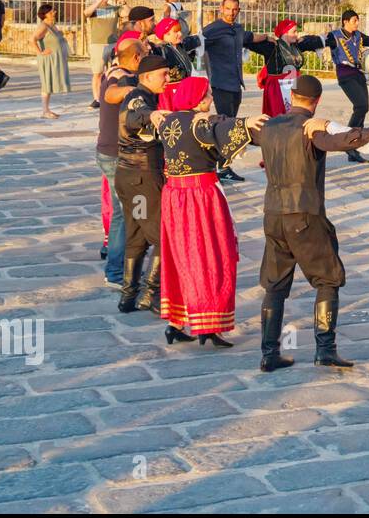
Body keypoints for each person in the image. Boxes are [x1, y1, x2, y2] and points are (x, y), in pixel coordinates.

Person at [252, 75, 369, 372]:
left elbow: (233, 130)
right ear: (316, 102)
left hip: (273, 214)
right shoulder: (310, 128)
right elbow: (338, 141)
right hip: (304, 214)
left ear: (292, 96)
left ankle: (269, 354)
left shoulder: (269, 127)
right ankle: (325, 349)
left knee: (275, 284)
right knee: (328, 279)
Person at [151, 77, 266, 348]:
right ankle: (208, 325)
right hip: (200, 197)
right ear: (198, 99)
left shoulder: (168, 120)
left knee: (180, 258)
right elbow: (215, 125)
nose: (210, 99)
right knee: (211, 257)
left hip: (174, 196)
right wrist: (246, 123)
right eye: (207, 95)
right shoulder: (197, 122)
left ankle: (176, 323)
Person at [114, 54, 172, 315]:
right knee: (163, 237)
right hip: (142, 178)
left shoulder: (147, 95)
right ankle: (150, 293)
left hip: (130, 177)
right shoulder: (140, 98)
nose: (167, 79)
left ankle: (128, 296)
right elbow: (134, 117)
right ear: (147, 77)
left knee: (137, 234)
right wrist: (153, 116)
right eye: (164, 74)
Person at [201, 0, 273, 181]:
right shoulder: (212, 30)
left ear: (239, 10)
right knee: (226, 126)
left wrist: (268, 38)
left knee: (230, 124)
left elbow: (250, 37)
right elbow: (195, 42)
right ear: (221, 8)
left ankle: (223, 166)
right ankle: (220, 168)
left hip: (235, 84)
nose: (231, 13)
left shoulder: (238, 29)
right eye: (228, 9)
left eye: (235, 9)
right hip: (220, 84)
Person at [322, 10, 369, 163]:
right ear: (345, 21)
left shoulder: (358, 36)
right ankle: (349, 143)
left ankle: (354, 144)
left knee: (364, 107)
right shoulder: (334, 36)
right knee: (360, 105)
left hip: (357, 73)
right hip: (345, 74)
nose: (357, 23)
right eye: (354, 21)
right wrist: (302, 42)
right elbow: (318, 42)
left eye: (358, 21)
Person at [97, 39, 143, 286]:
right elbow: (110, 94)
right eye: (143, 55)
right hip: (116, 155)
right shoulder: (121, 77)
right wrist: (130, 92)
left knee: (129, 213)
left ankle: (126, 267)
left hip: (113, 152)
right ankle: (115, 272)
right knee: (125, 215)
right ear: (136, 58)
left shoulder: (117, 71)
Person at [257, 19, 325, 117]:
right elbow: (249, 41)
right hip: (276, 88)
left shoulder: (296, 46)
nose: (297, 34)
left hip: (293, 84)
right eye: (294, 32)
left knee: (294, 114)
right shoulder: (272, 46)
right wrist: (265, 37)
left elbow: (315, 41)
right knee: (278, 117)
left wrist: (307, 38)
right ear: (285, 33)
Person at [152, 17, 202, 110]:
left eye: (179, 31)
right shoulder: (161, 50)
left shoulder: (181, 47)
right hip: (169, 96)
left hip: (184, 92)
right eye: (176, 32)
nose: (180, 34)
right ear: (165, 34)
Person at [84, 0, 121, 108]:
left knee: (114, 71)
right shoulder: (94, 9)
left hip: (113, 44)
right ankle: (97, 99)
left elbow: (128, 13)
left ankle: (112, 96)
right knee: (98, 73)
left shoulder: (115, 8)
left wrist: (123, 1)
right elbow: (85, 13)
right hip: (98, 45)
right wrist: (99, 1)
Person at [32, 4, 71, 119]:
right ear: (45, 15)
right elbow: (32, 39)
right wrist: (40, 52)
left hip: (54, 58)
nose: (54, 12)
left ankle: (47, 109)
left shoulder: (52, 25)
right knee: (46, 83)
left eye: (54, 11)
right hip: (47, 59)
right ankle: (45, 111)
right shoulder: (44, 26)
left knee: (49, 84)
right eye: (51, 12)